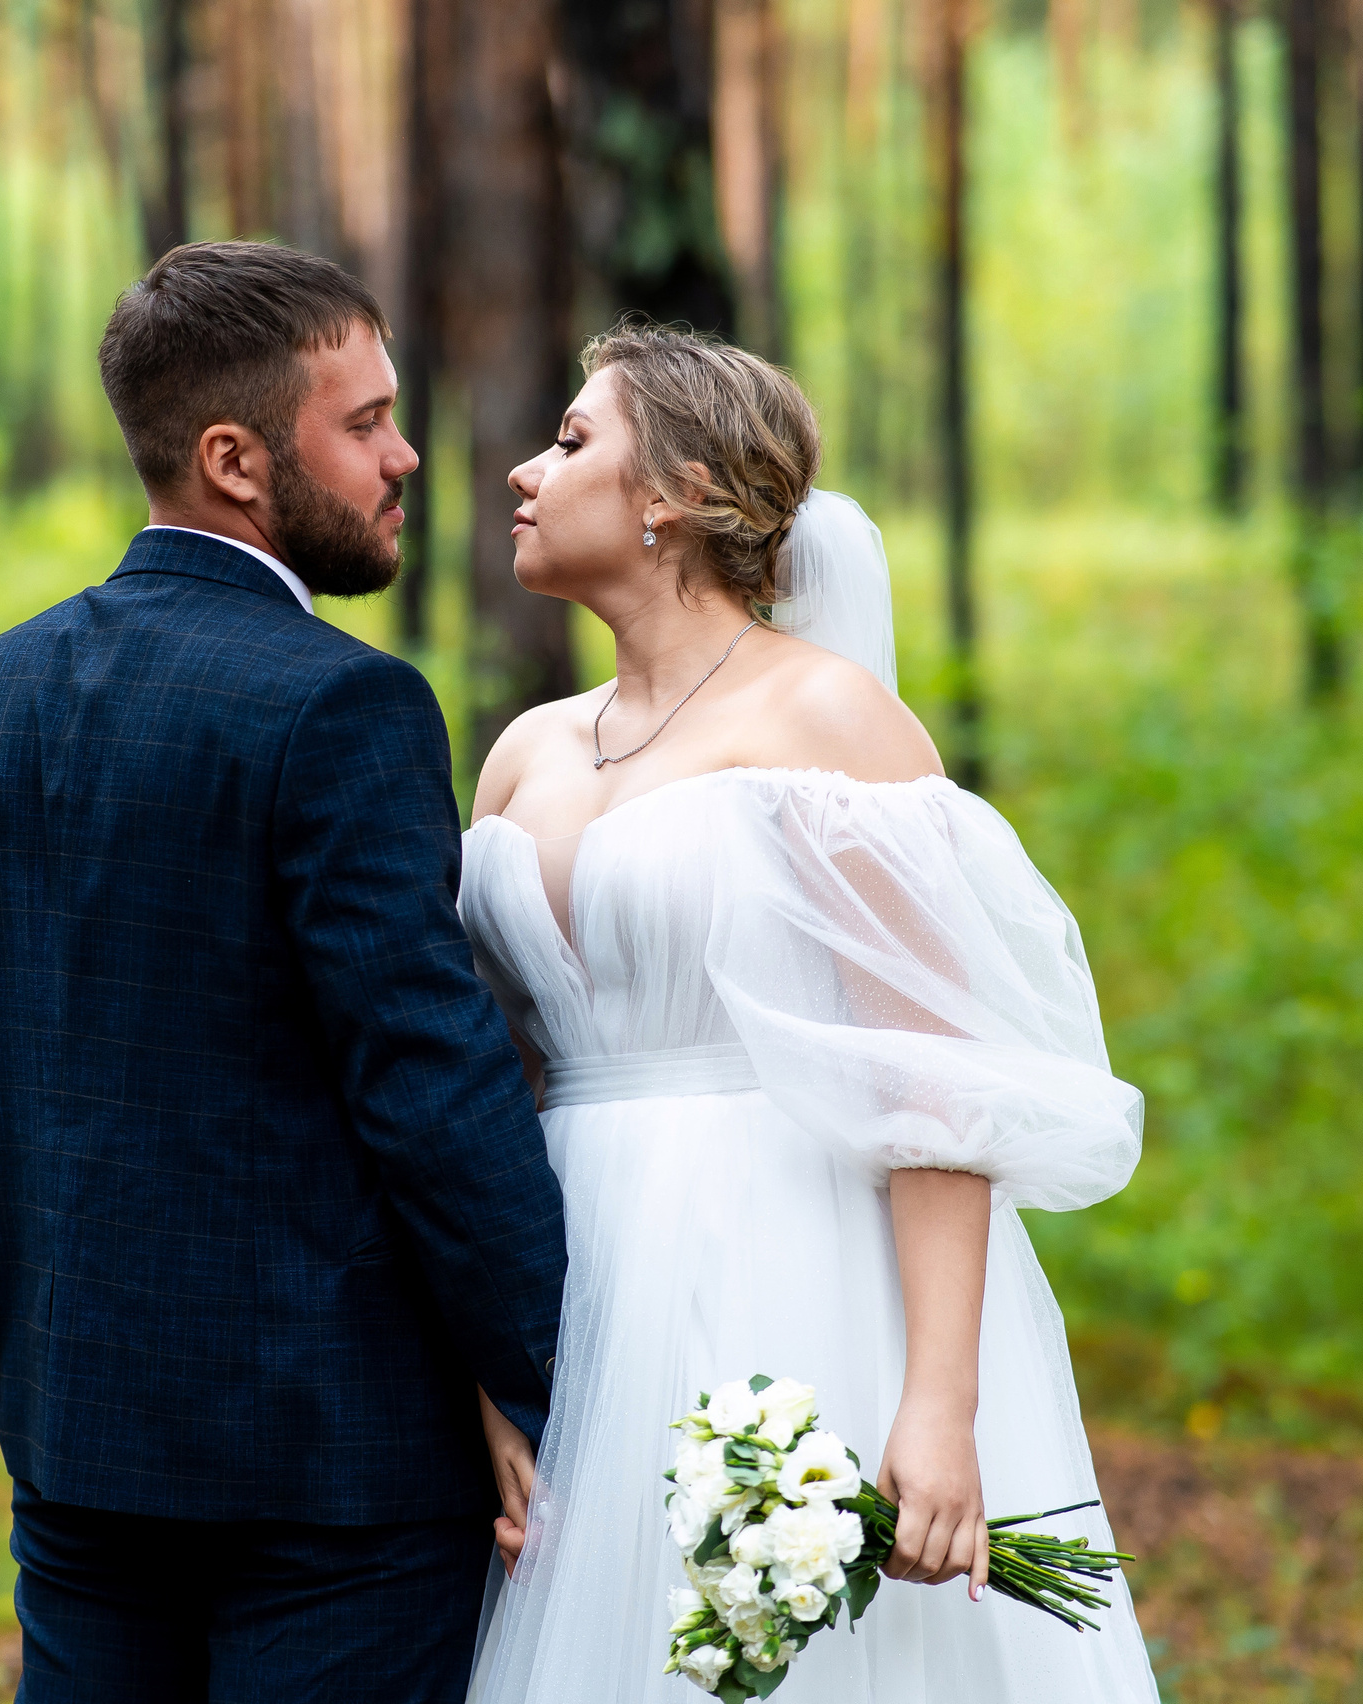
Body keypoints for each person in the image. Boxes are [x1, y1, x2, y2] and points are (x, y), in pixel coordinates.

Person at [0, 241, 567, 1704]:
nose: (406, 458)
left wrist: (61, 1303)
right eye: (365, 422)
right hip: (335, 1473)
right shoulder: (343, 708)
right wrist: (546, 1376)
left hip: (76, 1435)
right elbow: (427, 1085)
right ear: (234, 459)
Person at [460, 325, 1161, 1702]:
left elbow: (935, 1078)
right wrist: (490, 1374)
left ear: (672, 492)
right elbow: (481, 1078)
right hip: (565, 1276)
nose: (524, 475)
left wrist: (941, 1404)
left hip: (782, 1256)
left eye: (573, 440)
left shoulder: (834, 721)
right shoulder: (523, 751)